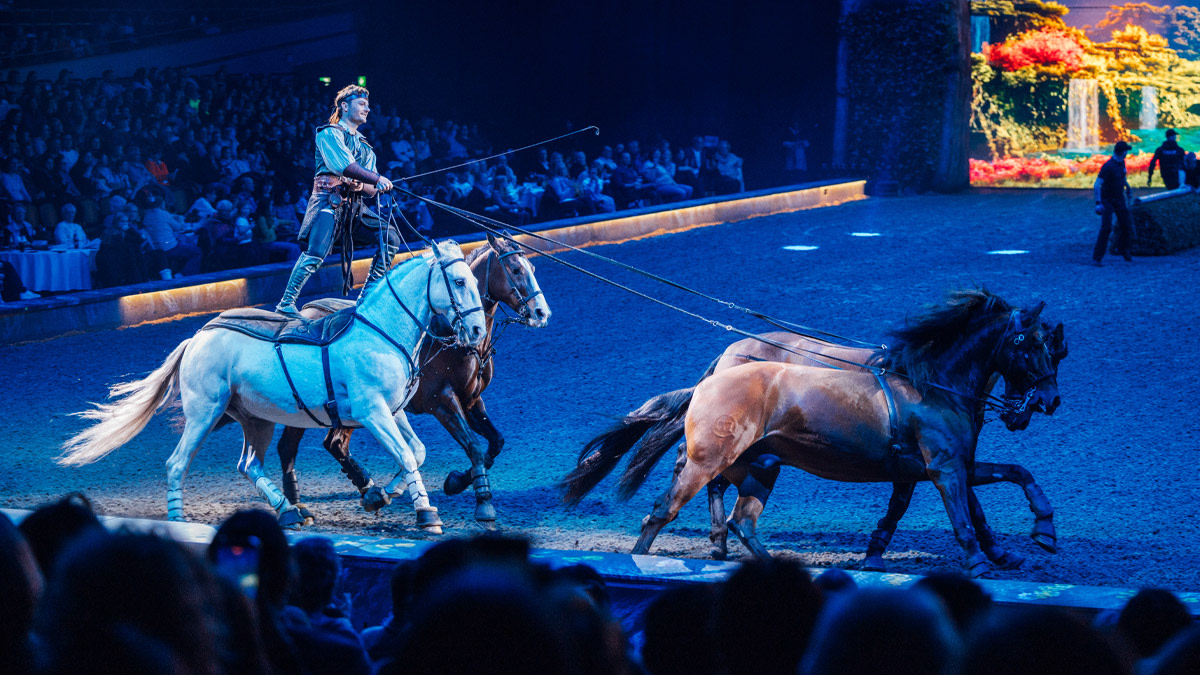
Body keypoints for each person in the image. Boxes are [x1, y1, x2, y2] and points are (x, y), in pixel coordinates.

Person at [276, 84, 395, 317]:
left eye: (367, 105)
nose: (367, 109)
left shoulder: (366, 147)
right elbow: (344, 166)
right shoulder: (329, 133)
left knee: (389, 236)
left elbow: (370, 190)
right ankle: (286, 303)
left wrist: (365, 184)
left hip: (354, 209)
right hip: (328, 202)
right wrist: (376, 177)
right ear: (344, 106)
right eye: (361, 104)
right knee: (316, 252)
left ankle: (368, 297)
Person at [1093, 140, 1134, 266]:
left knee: (1126, 224)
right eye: (1126, 150)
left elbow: (1123, 177)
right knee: (1106, 227)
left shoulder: (1122, 163)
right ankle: (1097, 257)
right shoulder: (1108, 166)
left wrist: (1127, 187)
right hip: (1108, 200)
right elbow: (1097, 185)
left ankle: (1124, 249)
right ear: (1122, 152)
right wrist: (1098, 203)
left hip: (1119, 198)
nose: (1127, 152)